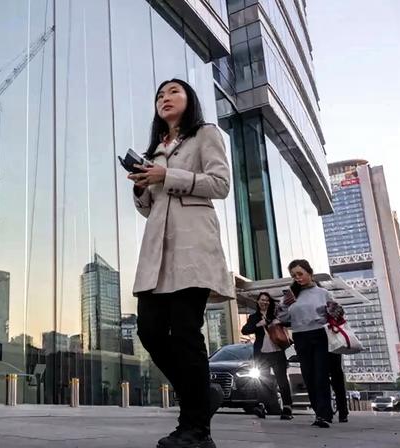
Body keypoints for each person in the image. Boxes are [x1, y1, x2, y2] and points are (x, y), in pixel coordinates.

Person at [128, 79, 233, 448]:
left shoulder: (205, 134)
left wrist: (167, 176)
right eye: (159, 95)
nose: (165, 98)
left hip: (193, 247)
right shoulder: (154, 150)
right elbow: (149, 208)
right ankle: (204, 395)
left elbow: (220, 184)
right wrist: (141, 187)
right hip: (157, 253)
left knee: (186, 334)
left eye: (173, 92)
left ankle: (195, 429)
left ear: (189, 99)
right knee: (149, 331)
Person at [277, 259, 336, 428]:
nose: (297, 278)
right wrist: (282, 306)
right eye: (294, 275)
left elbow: (336, 314)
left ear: (309, 273)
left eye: (300, 274)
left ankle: (324, 414)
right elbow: (283, 318)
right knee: (309, 376)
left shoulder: (322, 293)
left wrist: (332, 311)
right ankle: (319, 413)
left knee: (321, 375)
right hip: (300, 337)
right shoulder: (291, 295)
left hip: (320, 335)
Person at [241, 292, 294, 420]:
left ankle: (287, 407)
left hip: (277, 351)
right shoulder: (254, 317)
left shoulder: (276, 314)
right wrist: (259, 324)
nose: (264, 302)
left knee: (281, 380)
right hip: (262, 354)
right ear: (258, 302)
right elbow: (245, 330)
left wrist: (279, 321)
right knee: (261, 380)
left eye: (266, 300)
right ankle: (262, 406)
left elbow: (289, 322)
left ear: (270, 302)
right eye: (262, 300)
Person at [329, 352, 349, 422]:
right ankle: (343, 412)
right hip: (333, 348)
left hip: (328, 347)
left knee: (336, 377)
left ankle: (326, 413)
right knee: (337, 378)